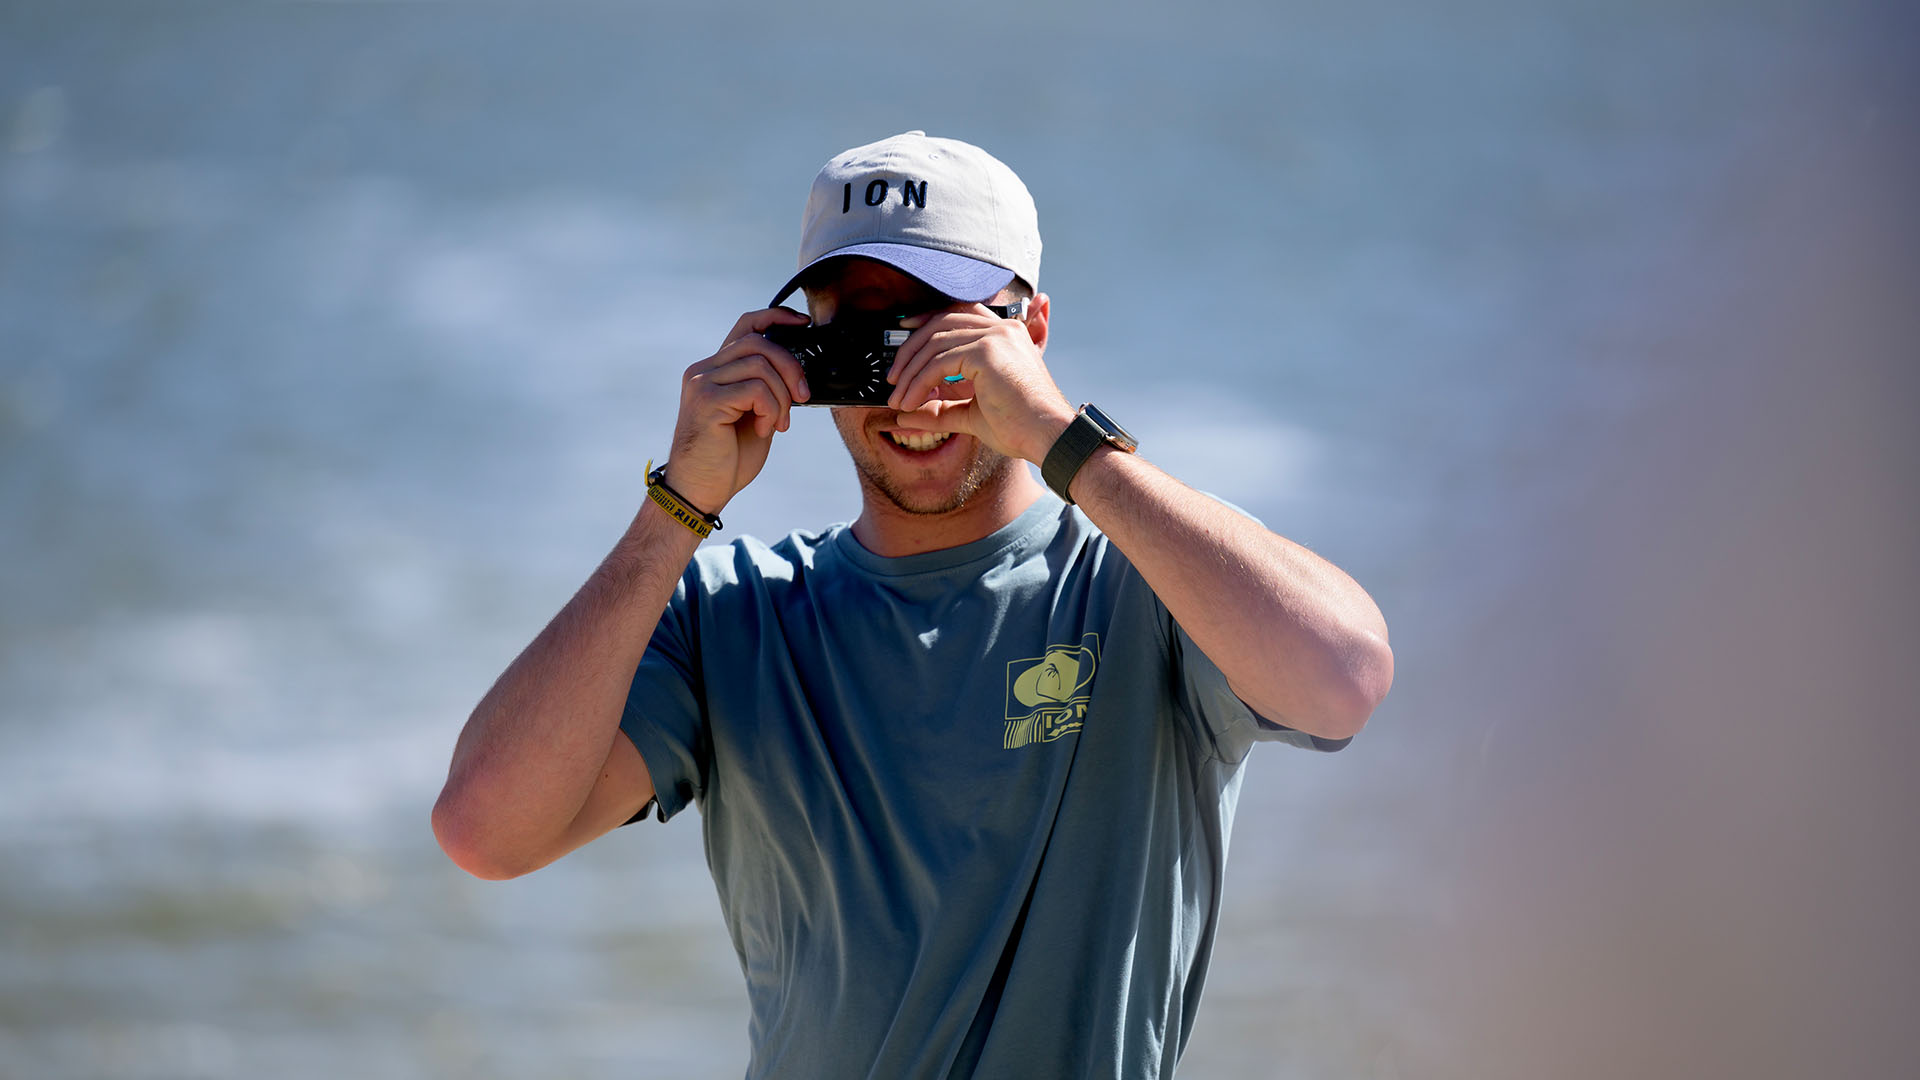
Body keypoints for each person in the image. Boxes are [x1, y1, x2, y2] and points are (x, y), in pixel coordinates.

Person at [432, 130, 1394, 1078]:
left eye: (946, 331)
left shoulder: (1148, 579)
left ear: (1033, 332)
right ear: (804, 349)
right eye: (865, 336)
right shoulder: (736, 613)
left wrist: (1060, 437)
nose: (910, 385)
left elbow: (1344, 678)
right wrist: (676, 510)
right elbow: (485, 833)